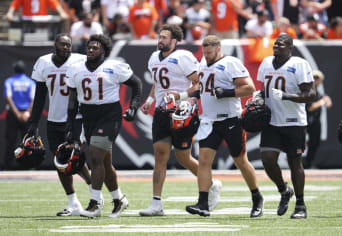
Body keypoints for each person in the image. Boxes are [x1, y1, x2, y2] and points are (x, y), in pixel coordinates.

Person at [139, 25, 222, 216]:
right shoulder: (154, 58)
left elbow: (199, 82)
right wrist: (150, 101)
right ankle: (156, 203)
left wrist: (180, 95)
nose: (160, 40)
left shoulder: (182, 57)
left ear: (174, 41)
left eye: (165, 37)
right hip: (161, 111)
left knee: (183, 158)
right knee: (160, 155)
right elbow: (157, 84)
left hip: (181, 112)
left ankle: (211, 184)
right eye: (160, 36)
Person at [185, 35, 264, 218]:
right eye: (205, 53)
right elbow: (201, 88)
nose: (207, 56)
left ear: (219, 48)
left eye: (210, 53)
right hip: (209, 121)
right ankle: (203, 203)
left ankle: (256, 197)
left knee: (240, 161)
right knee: (204, 161)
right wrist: (185, 98)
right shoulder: (202, 64)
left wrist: (228, 92)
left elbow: (250, 87)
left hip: (230, 119)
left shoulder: (231, 63)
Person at [65, 34, 143, 218]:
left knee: (94, 155)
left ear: (104, 51)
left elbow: (136, 83)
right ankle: (119, 199)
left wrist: (133, 107)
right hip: (88, 115)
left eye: (96, 48)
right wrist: (71, 125)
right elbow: (72, 100)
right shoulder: (75, 69)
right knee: (105, 163)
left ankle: (95, 203)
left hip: (109, 114)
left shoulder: (114, 66)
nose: (91, 50)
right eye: (89, 47)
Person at [25, 34, 92, 216]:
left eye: (69, 45)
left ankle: (94, 191)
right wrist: (33, 121)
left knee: (75, 158)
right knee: (60, 162)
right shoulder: (43, 62)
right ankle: (73, 203)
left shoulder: (80, 61)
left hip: (75, 118)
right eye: (63, 44)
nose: (66, 48)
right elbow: (39, 96)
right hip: (54, 119)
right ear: (55, 44)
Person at [256, 33, 316, 219]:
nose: (276, 46)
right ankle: (284, 190)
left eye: (281, 44)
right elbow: (264, 89)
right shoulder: (266, 63)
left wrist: (286, 96)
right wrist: (258, 97)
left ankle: (300, 205)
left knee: (294, 162)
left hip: (293, 121)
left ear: (290, 48)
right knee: (267, 159)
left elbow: (311, 94)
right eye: (275, 44)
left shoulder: (299, 64)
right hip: (272, 120)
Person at [2, 61, 35, 170]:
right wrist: (27, 113)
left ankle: (8, 166)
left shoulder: (9, 81)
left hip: (13, 114)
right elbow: (33, 100)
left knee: (11, 140)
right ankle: (28, 165)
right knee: (27, 141)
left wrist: (17, 113)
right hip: (26, 113)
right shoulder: (30, 82)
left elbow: (8, 98)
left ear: (14, 70)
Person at [304, 70, 332, 169]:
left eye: (317, 78)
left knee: (314, 142)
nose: (315, 80)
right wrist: (322, 101)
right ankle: (299, 163)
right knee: (299, 143)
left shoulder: (319, 92)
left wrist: (326, 99)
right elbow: (310, 107)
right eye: (314, 78)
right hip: (304, 120)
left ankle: (308, 163)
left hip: (314, 121)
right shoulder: (307, 90)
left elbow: (327, 102)